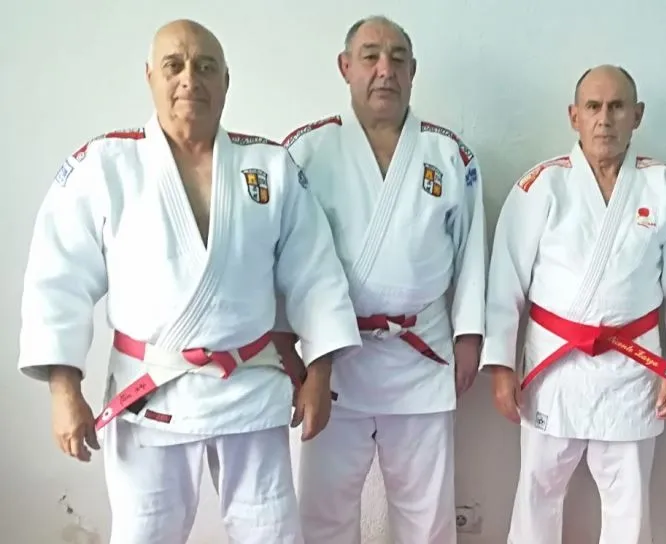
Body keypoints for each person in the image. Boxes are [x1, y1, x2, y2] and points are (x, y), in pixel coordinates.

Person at [17, 19, 362, 544]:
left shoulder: (269, 166)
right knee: (145, 534)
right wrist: (65, 390)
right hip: (149, 391)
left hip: (250, 386)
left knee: (273, 533)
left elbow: (315, 274)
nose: (189, 80)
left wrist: (319, 372)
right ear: (150, 76)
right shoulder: (105, 165)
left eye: (205, 67)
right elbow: (57, 280)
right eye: (174, 66)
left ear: (226, 80)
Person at [480, 64, 666, 544]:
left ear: (638, 115)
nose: (605, 119)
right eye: (593, 106)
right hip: (554, 368)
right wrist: (501, 366)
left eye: (617, 107)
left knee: (628, 504)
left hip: (633, 369)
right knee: (537, 495)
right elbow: (505, 279)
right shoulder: (542, 184)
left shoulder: (664, 186)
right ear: (574, 116)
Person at [282, 15, 486, 544]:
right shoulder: (306, 151)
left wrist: (469, 335)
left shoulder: (449, 154)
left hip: (423, 355)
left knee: (427, 516)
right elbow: (282, 256)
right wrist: (287, 346)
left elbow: (471, 251)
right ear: (345, 66)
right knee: (324, 512)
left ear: (413, 71)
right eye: (370, 56)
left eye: (398, 59)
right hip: (334, 360)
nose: (384, 69)